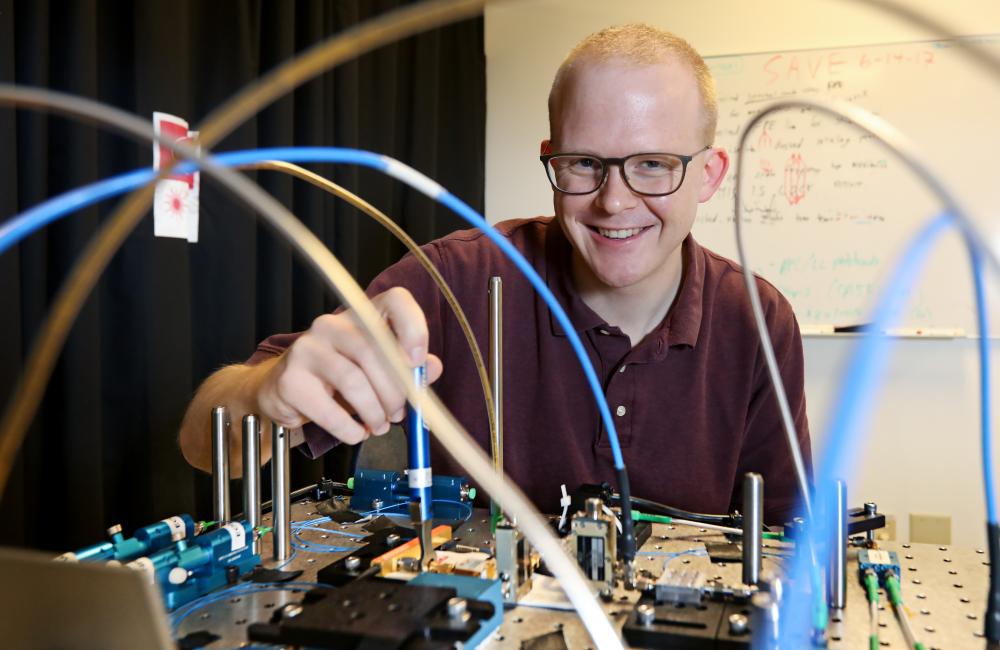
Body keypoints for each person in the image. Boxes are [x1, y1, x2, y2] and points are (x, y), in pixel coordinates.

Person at [179, 24, 811, 523]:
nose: (615, 201)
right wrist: (265, 396)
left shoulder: (758, 320)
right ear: (550, 160)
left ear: (709, 173)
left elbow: (786, 537)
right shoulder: (452, 280)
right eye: (584, 163)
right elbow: (203, 444)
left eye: (652, 164)